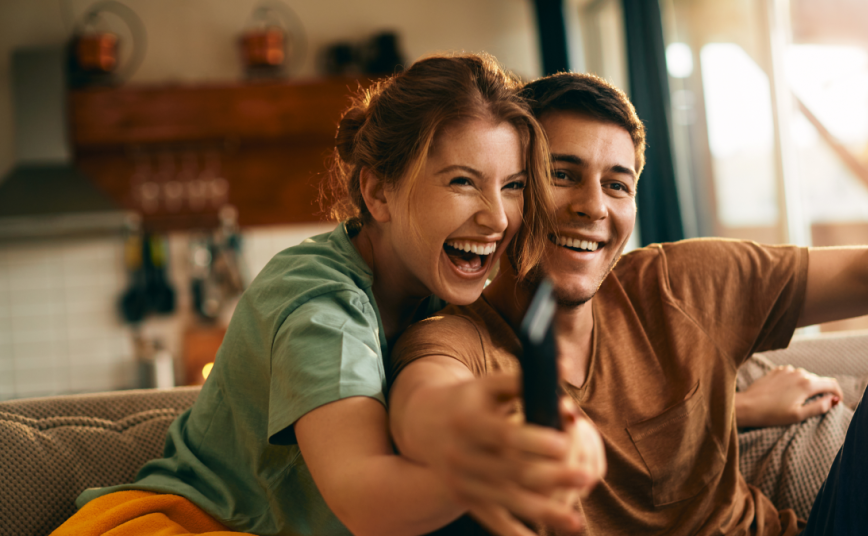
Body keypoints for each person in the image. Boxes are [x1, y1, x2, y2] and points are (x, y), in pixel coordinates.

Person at [388, 71, 868, 535]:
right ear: (516, 189)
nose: (593, 205)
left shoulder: (679, 283)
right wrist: (461, 436)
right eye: (562, 173)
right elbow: (427, 399)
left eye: (617, 184)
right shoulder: (462, 339)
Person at [51, 54, 601, 536]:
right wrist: (489, 473)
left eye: (514, 186)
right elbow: (366, 497)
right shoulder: (321, 307)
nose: (497, 217)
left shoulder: (439, 289)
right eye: (462, 181)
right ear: (377, 191)